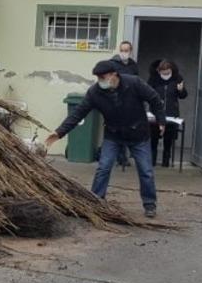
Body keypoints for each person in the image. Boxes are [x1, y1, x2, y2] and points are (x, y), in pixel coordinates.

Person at [46, 60, 166, 218]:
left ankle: (149, 204)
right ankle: (96, 202)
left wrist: (161, 121)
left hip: (138, 134)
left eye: (103, 77)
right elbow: (78, 113)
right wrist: (59, 132)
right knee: (103, 167)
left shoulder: (134, 83)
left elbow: (155, 99)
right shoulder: (95, 93)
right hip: (113, 135)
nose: (100, 81)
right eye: (98, 78)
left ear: (114, 74)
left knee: (146, 171)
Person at [148, 61, 188, 167]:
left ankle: (166, 162)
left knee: (168, 139)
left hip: (171, 112)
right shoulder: (153, 79)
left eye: (168, 73)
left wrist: (181, 90)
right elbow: (147, 93)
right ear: (159, 71)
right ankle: (152, 161)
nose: (166, 75)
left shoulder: (177, 78)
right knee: (153, 138)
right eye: (163, 73)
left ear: (171, 70)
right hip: (155, 112)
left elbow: (183, 96)